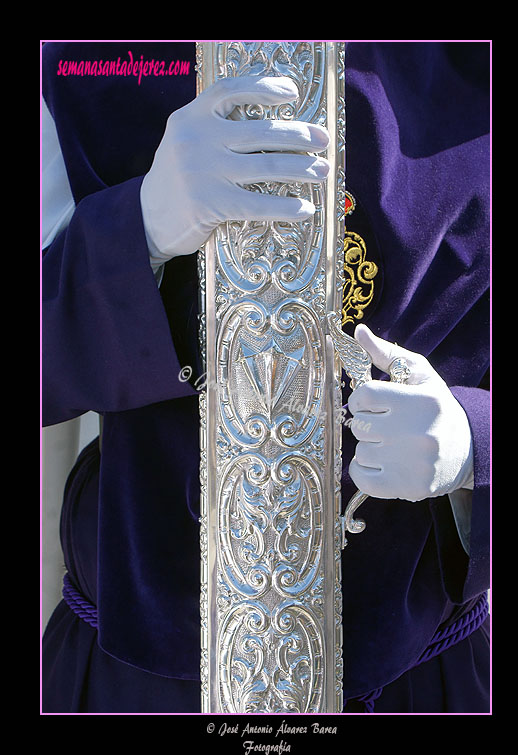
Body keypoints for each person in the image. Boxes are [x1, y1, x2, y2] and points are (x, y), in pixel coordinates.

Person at [41, 41, 490, 714]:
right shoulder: (82, 58)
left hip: (421, 676)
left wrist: (471, 445)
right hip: (132, 679)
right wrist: (141, 229)